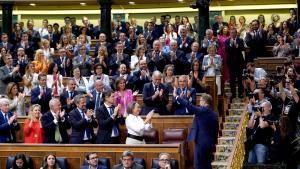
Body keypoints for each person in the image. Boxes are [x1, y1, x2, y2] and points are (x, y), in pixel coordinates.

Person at [173, 93, 218, 169]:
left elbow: (189, 106)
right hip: (210, 143)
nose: (199, 102)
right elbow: (216, 130)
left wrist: (177, 97)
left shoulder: (202, 110)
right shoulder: (214, 114)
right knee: (207, 165)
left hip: (201, 142)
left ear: (204, 102)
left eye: (200, 100)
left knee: (198, 165)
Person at [225, 28, 245, 99]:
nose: (232, 34)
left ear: (236, 33)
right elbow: (227, 49)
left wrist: (236, 45)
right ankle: (233, 93)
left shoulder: (240, 40)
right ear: (230, 34)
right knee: (232, 78)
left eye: (234, 32)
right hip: (230, 62)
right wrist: (231, 44)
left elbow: (242, 48)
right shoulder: (227, 41)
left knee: (240, 78)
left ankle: (240, 93)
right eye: (231, 33)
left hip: (239, 61)